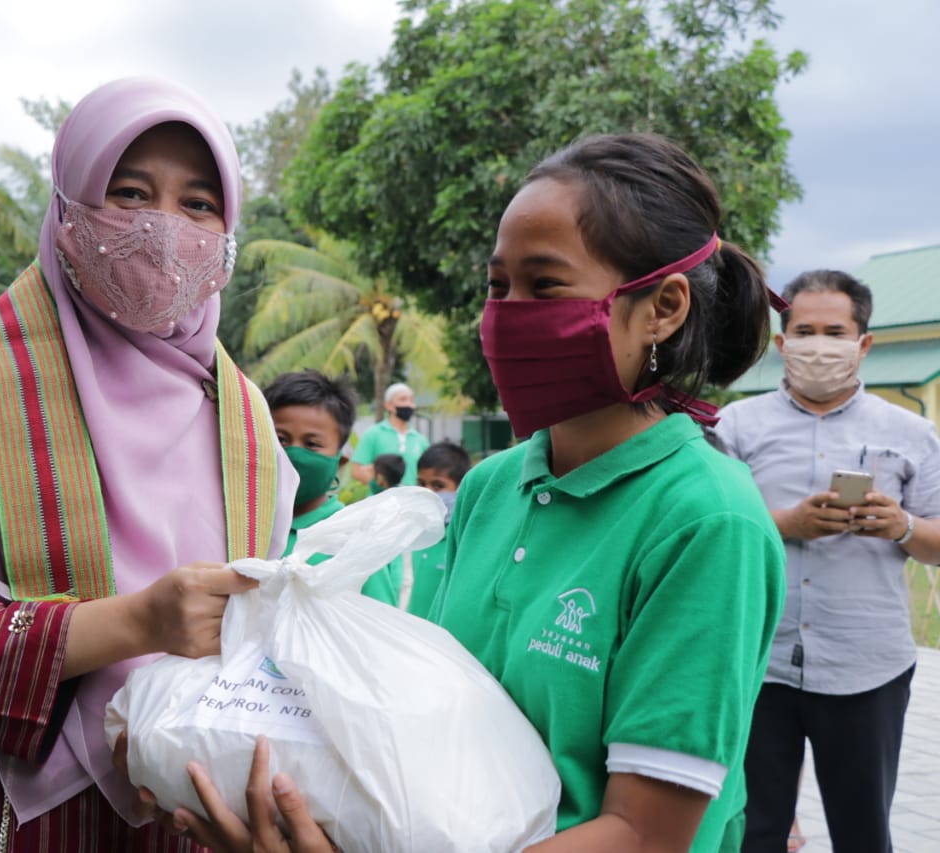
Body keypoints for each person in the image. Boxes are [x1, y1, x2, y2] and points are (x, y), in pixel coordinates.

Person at [167, 133, 788, 852]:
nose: (506, 315)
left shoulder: (707, 520)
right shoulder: (492, 485)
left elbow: (643, 834)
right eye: (498, 287)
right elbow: (431, 722)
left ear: (663, 308)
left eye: (544, 286)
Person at [0, 77, 297, 852]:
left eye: (198, 203)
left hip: (189, 814)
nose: (164, 228)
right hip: (4, 812)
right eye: (130, 193)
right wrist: (137, 622)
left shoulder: (247, 422)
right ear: (68, 206)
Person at [713, 269, 940, 853]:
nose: (819, 346)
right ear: (782, 342)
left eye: (835, 333)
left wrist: (901, 525)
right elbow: (710, 532)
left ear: (864, 343)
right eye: (804, 331)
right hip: (758, 662)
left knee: (863, 831)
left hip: (866, 664)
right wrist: (788, 524)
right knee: (753, 830)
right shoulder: (734, 427)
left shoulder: (912, 433)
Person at [265, 369, 357, 557]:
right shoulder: (238, 526)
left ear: (340, 463)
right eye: (280, 440)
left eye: (312, 444)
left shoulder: (351, 538)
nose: (294, 455)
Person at [405, 441, 470, 618]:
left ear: (461, 488)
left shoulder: (463, 539)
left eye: (438, 486)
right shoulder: (416, 534)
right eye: (421, 483)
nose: (427, 492)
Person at [349, 382, 429, 492]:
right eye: (403, 399)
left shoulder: (420, 440)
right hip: (380, 500)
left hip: (411, 500)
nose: (408, 404)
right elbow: (356, 470)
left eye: (411, 400)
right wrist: (380, 488)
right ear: (388, 405)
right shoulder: (373, 434)